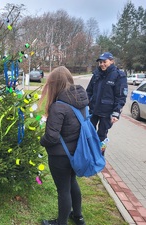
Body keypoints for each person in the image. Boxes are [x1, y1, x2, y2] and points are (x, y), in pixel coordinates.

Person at [39, 66, 87, 225]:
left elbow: (51, 137)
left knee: (63, 190)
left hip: (60, 157)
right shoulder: (80, 101)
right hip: (76, 153)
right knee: (72, 182)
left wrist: (41, 141)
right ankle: (78, 217)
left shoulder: (58, 106)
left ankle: (61, 222)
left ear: (55, 84)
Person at [86, 52, 128, 154]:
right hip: (94, 110)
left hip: (107, 112)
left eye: (104, 61)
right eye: (100, 62)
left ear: (111, 61)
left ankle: (100, 156)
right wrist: (86, 103)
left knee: (102, 135)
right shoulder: (96, 74)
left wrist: (116, 113)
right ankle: (89, 153)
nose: (102, 64)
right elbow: (89, 91)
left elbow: (121, 96)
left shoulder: (118, 75)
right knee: (89, 132)